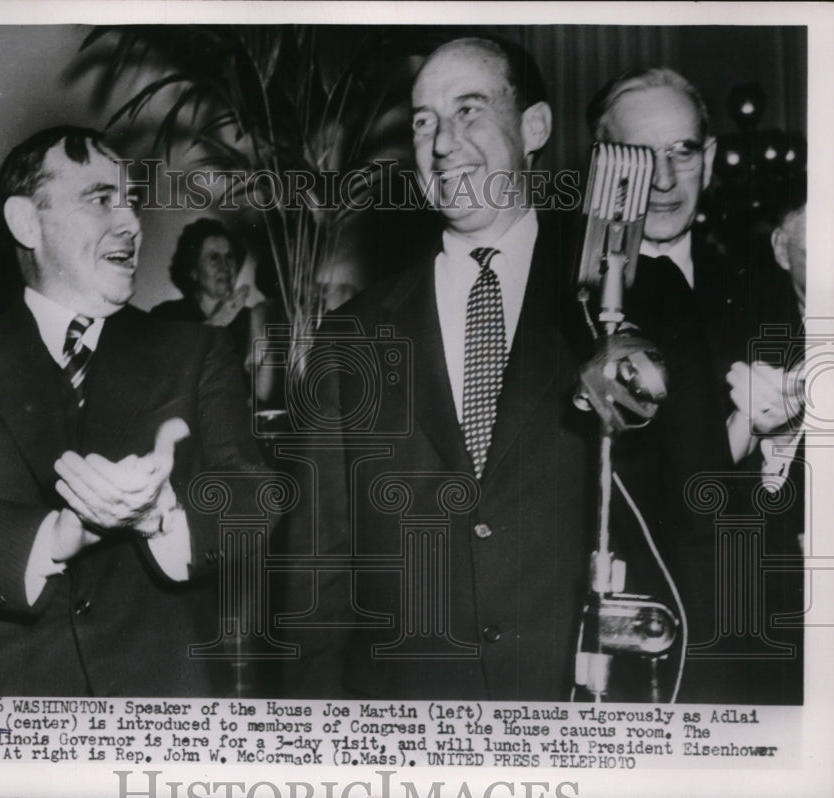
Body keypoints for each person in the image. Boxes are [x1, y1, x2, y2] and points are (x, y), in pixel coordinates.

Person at [0, 126, 265, 697]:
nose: (131, 222)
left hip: (158, 705)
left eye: (129, 202)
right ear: (28, 223)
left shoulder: (196, 351)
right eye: (102, 199)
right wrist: (55, 535)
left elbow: (254, 496)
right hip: (4, 713)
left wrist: (162, 515)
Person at [283, 37, 602, 701]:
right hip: (408, 721)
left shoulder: (613, 299)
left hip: (577, 711)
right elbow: (318, 579)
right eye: (424, 121)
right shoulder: (352, 335)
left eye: (469, 111)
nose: (443, 142)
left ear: (534, 126)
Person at [590, 68, 804, 703]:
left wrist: (785, 443)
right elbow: (646, 484)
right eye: (640, 157)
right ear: (604, 164)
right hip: (646, 651)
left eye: (681, 152)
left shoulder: (755, 284)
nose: (662, 181)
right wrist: (750, 430)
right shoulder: (574, 303)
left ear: (707, 160)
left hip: (764, 637)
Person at [151, 218, 273, 402]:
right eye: (214, 258)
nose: (225, 265)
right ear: (193, 271)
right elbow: (164, 381)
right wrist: (214, 324)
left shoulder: (250, 318)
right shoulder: (167, 315)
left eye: (230, 256)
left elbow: (260, 394)